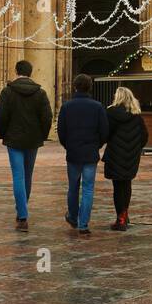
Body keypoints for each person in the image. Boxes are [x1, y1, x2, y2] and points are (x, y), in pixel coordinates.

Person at [0, 59, 53, 230]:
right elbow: (47, 117)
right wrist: (42, 135)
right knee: (28, 175)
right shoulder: (40, 93)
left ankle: (22, 215)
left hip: (14, 139)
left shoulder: (7, 92)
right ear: (30, 72)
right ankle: (22, 209)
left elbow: (0, 116)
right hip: (33, 139)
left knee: (18, 176)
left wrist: (3, 134)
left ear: (16, 71)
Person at [56, 73, 109, 236]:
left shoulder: (66, 106)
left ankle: (73, 217)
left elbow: (61, 132)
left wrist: (69, 145)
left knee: (73, 187)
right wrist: (96, 145)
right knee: (88, 189)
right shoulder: (98, 107)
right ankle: (83, 224)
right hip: (90, 153)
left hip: (73, 153)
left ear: (74, 87)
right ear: (90, 87)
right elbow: (104, 131)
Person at [103, 86, 149, 230]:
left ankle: (120, 219)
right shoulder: (136, 115)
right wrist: (136, 148)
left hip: (115, 154)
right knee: (127, 184)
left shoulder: (110, 112)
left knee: (117, 186)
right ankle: (125, 215)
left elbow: (105, 133)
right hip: (131, 156)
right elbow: (144, 135)